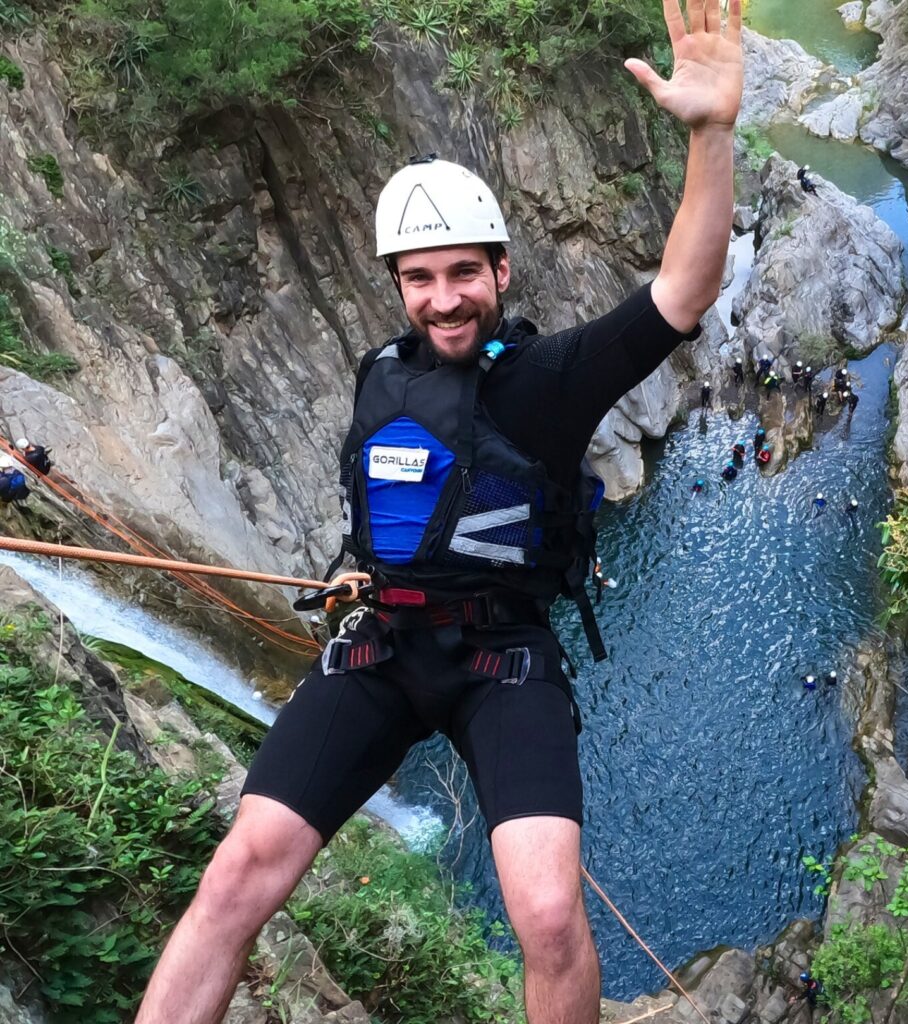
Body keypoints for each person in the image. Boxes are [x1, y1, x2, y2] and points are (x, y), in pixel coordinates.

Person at [133, 5, 745, 1024]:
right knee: (238, 872)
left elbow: (683, 290)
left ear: (501, 271)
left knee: (548, 916)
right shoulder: (381, 377)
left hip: (502, 663)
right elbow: (388, 501)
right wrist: (353, 562)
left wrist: (711, 132)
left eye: (464, 271)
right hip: (383, 644)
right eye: (420, 278)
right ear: (397, 287)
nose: (444, 298)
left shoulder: (550, 379)